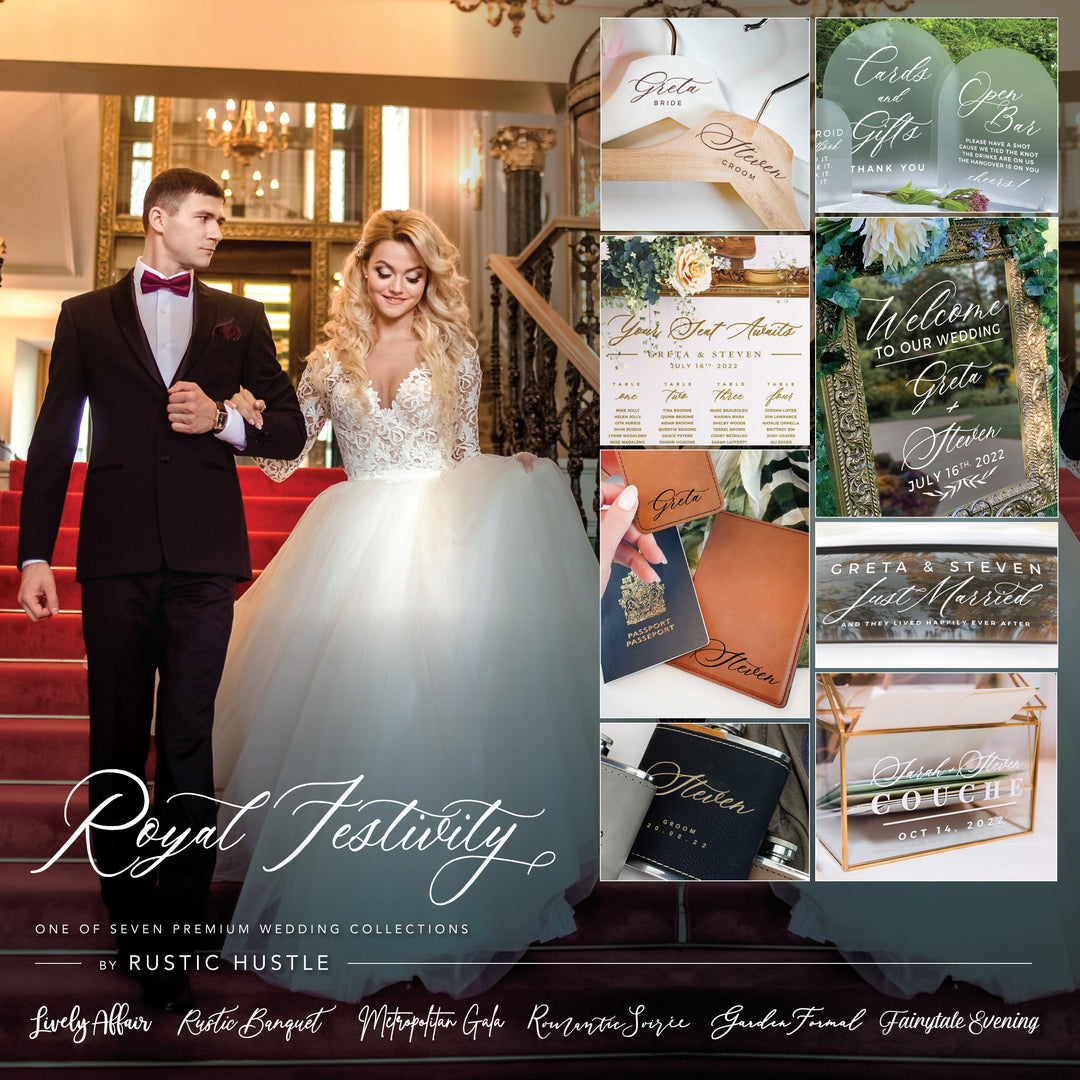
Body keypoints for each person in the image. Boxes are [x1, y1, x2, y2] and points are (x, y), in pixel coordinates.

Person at [211, 208, 599, 1002]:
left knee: (429, 708)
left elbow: (459, 454)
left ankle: (443, 896)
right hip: (351, 531)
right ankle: (348, 891)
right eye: (384, 271)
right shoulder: (326, 360)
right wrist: (242, 421)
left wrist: (509, 468)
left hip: (437, 533)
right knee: (351, 710)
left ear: (429, 280)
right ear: (361, 272)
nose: (396, 286)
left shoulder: (453, 349)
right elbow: (292, 453)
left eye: (412, 274)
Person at [17, 168, 306, 1011]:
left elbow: (288, 425)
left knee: (186, 743)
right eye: (206, 218)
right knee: (116, 741)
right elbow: (51, 434)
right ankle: (127, 916)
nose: (217, 231)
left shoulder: (241, 318)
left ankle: (171, 940)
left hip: (206, 562)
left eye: (220, 219)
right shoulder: (81, 318)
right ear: (159, 219)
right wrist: (36, 554)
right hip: (112, 560)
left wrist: (224, 420)